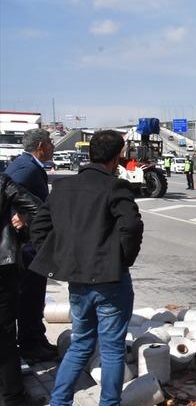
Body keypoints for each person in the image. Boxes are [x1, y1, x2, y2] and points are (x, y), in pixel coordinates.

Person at [29, 130, 144, 406]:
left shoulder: (64, 187)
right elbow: (132, 225)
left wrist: (63, 258)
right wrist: (122, 259)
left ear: (91, 154)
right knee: (112, 348)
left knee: (81, 344)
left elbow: (39, 226)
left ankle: (59, 402)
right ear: (117, 157)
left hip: (78, 281)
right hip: (110, 281)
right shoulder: (115, 186)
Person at [4, 128, 54, 361]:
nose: (53, 147)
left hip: (28, 244)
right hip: (28, 246)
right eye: (50, 143)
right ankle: (31, 346)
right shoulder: (26, 167)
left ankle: (37, 339)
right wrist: (18, 213)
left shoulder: (26, 163)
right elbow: (10, 190)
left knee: (32, 296)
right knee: (31, 295)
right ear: (41, 146)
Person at [0, 173, 42, 406]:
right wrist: (22, 220)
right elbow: (37, 208)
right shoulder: (3, 182)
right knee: (5, 334)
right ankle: (14, 397)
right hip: (2, 267)